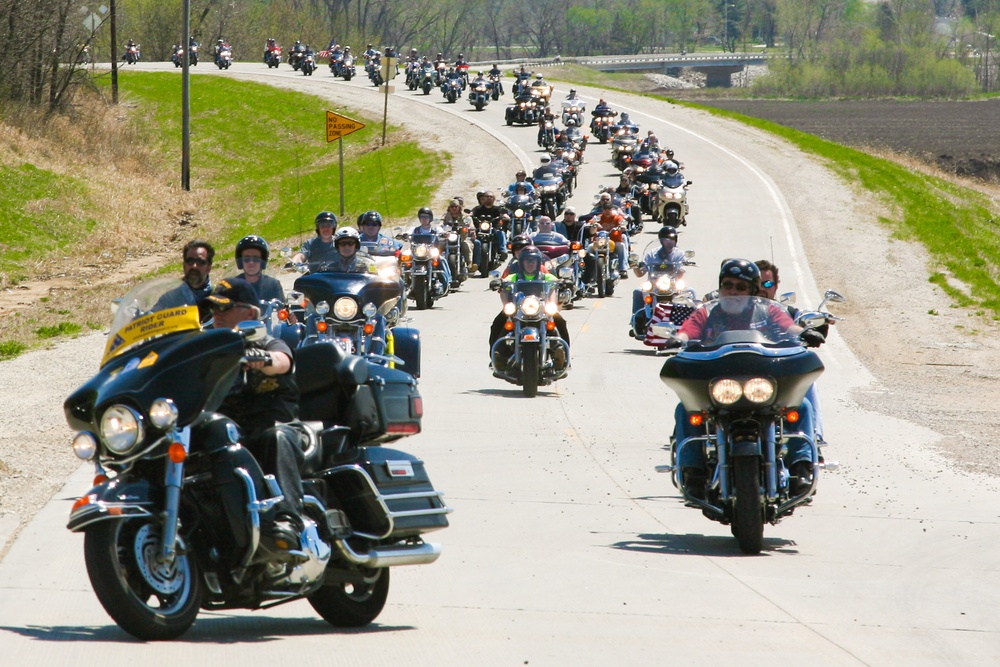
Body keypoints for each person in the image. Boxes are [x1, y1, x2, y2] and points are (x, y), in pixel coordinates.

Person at [670, 259, 824, 497]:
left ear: (752, 291)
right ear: (720, 288)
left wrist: (804, 332)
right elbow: (688, 330)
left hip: (761, 384)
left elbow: (788, 326)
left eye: (741, 288)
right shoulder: (707, 313)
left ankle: (801, 467)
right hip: (721, 386)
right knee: (686, 409)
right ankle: (693, 472)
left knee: (801, 405)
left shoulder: (768, 310)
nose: (733, 292)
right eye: (728, 285)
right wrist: (678, 338)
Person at [209, 277, 305, 554]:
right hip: (231, 436)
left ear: (250, 313)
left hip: (275, 428)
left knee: (277, 437)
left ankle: (288, 519)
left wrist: (263, 361)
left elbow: (283, 361)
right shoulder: (213, 353)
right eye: (214, 308)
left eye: (225, 308)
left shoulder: (269, 343)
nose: (217, 314)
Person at [756, 258, 828, 444]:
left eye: (768, 283)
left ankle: (812, 436)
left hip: (779, 370)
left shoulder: (784, 311)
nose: (762, 288)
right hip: (747, 371)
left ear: (776, 286)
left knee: (807, 382)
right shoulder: (739, 311)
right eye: (757, 283)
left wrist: (813, 327)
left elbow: (800, 319)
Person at [489, 246, 568, 370]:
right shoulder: (514, 277)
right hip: (518, 309)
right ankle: (498, 355)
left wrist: (564, 281)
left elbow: (554, 284)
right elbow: (504, 286)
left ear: (537, 262)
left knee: (560, 322)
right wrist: (500, 286)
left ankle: (561, 354)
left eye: (533, 260)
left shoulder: (545, 277)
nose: (530, 263)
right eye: (527, 260)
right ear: (521, 263)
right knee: (498, 324)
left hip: (541, 309)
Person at [154, 240, 215, 320]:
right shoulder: (170, 297)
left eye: (200, 262)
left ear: (209, 268)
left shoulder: (217, 297)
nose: (194, 266)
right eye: (190, 261)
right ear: (184, 266)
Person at [408, 207, 453, 286]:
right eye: (422, 217)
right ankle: (403, 281)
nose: (424, 219)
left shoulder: (436, 229)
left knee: (441, 259)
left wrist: (445, 234)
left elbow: (442, 232)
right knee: (405, 260)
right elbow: (408, 233)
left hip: (431, 252)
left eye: (426, 217)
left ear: (430, 218)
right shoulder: (414, 229)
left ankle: (448, 281)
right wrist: (404, 234)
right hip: (417, 252)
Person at [235, 235, 284, 303]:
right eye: (247, 259)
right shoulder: (233, 286)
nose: (251, 262)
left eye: (256, 259)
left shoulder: (272, 285)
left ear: (262, 261)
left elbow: (280, 308)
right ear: (240, 262)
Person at [442, 198, 478, 276]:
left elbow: (471, 225)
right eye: (452, 207)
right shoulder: (446, 216)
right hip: (448, 239)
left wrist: (471, 229)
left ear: (459, 207)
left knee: (467, 245)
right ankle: (436, 262)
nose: (454, 208)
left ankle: (469, 265)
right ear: (449, 208)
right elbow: (440, 224)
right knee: (438, 245)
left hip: (462, 238)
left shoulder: (465, 216)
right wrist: (439, 228)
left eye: (456, 206)